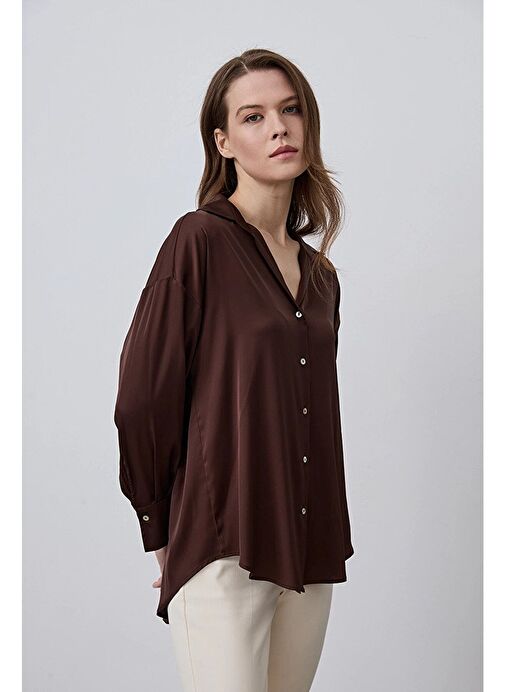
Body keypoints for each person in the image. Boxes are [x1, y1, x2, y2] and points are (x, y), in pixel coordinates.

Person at [113, 47, 355, 692]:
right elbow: (142, 398)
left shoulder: (321, 277)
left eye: (290, 109)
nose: (278, 128)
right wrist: (159, 528)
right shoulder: (199, 242)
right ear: (223, 143)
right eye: (253, 116)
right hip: (225, 546)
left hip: (310, 548)